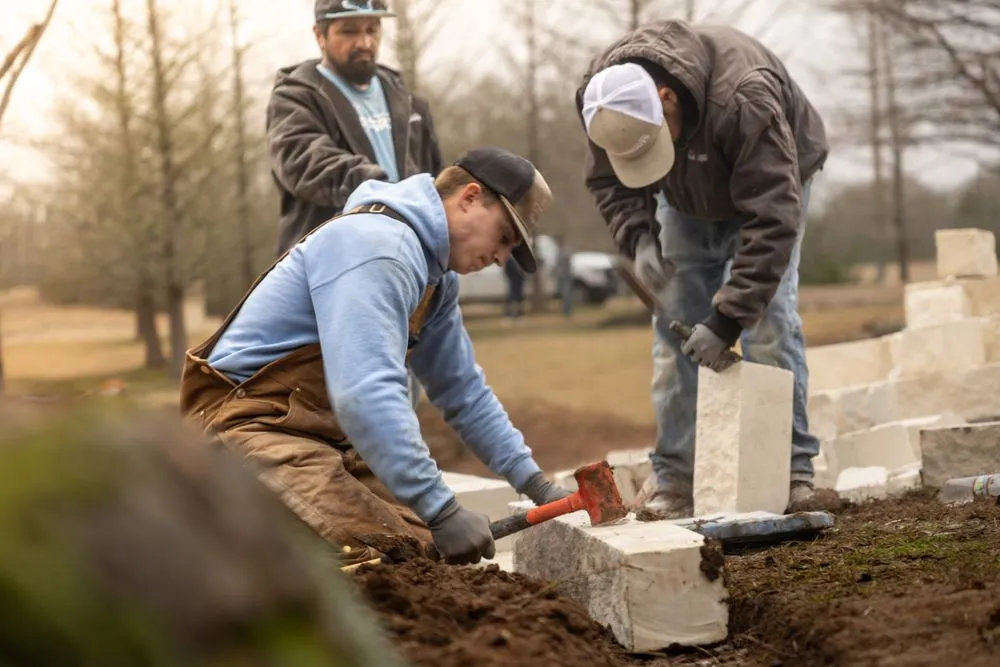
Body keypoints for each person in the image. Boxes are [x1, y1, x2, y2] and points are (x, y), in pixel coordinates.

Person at [180, 147, 570, 567]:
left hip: (320, 439)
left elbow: (462, 391)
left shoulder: (434, 278)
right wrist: (441, 508)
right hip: (248, 429)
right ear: (470, 197)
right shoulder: (379, 246)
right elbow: (366, 393)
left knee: (426, 553)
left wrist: (534, 484)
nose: (501, 258)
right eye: (504, 237)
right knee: (384, 557)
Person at [576, 19, 830, 517]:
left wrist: (728, 318)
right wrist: (638, 237)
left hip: (771, 183)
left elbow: (773, 217)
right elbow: (610, 179)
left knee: (770, 325)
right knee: (675, 336)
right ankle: (676, 477)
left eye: (653, 142)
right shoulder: (603, 100)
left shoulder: (745, 99)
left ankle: (792, 471)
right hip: (685, 194)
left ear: (666, 97)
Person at [265, 0, 443, 410]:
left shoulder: (409, 101)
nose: (364, 42)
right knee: (327, 410)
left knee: (399, 403)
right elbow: (304, 160)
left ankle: (390, 474)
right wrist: (382, 189)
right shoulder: (295, 98)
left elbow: (434, 177)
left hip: (403, 276)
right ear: (319, 35)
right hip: (330, 279)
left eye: (372, 30)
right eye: (348, 31)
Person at [502, 256, 525, 324]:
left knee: (519, 297)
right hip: (512, 280)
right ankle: (508, 314)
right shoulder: (509, 259)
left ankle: (518, 314)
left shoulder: (520, 258)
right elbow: (507, 270)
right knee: (511, 297)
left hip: (519, 280)